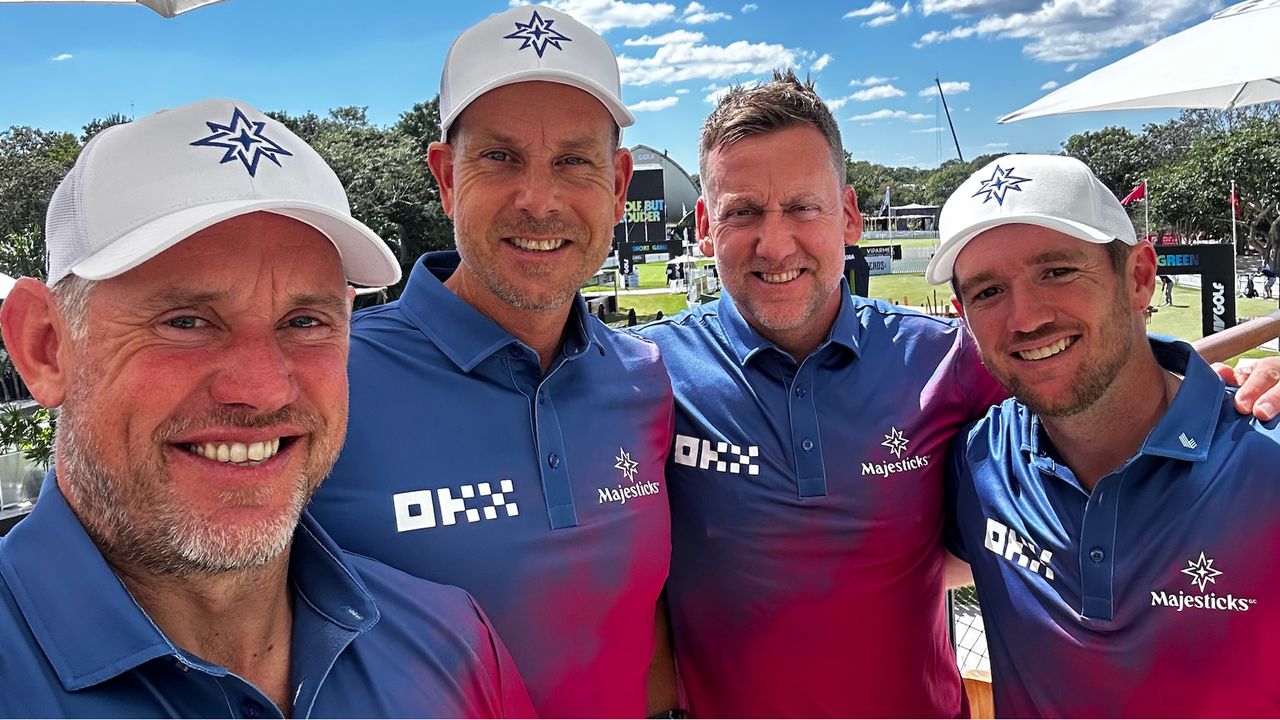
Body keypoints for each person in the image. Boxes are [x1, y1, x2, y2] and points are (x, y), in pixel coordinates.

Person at [636, 72, 1280, 717]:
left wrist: (1222, 392)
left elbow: (1085, 377)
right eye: (742, 211)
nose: (774, 243)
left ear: (850, 216)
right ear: (703, 225)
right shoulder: (644, 373)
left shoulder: (947, 357)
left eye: (804, 207)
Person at [0, 99, 535, 717]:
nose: (265, 389)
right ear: (44, 346)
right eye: (186, 321)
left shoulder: (451, 645)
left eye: (305, 322)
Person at [309, 6, 674, 718]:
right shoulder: (330, 379)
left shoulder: (645, 380)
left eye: (573, 161)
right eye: (500, 158)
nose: (538, 201)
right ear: (446, 178)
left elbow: (642, 627)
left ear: (619, 185)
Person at [931, 154, 1280, 717]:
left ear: (1140, 276)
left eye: (1057, 271)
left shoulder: (1266, 458)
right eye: (988, 292)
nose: (1025, 319)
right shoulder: (978, 462)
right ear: (963, 315)